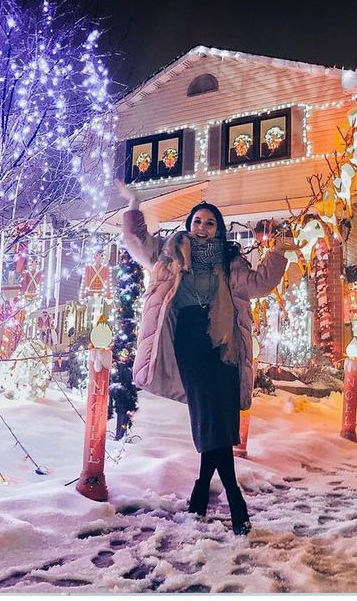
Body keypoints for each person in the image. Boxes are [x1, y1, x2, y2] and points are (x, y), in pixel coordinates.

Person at [117, 181, 296, 535]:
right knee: (211, 420)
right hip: (189, 344)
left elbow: (260, 284)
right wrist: (134, 205)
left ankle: (200, 494)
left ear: (219, 229)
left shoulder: (230, 263)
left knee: (215, 422)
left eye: (209, 223)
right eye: (197, 222)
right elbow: (137, 241)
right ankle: (235, 500)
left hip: (223, 348)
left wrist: (278, 252)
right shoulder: (168, 254)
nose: (202, 227)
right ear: (189, 225)